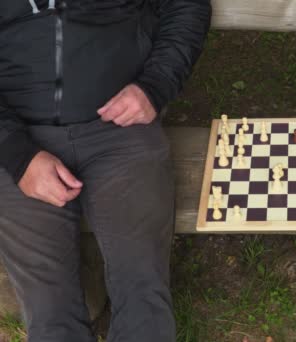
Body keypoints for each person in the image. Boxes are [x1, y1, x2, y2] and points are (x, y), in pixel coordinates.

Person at [0, 1, 211, 341]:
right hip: (16, 137)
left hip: (119, 127)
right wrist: (17, 154)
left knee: (143, 292)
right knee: (51, 314)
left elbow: (188, 5)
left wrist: (154, 87)